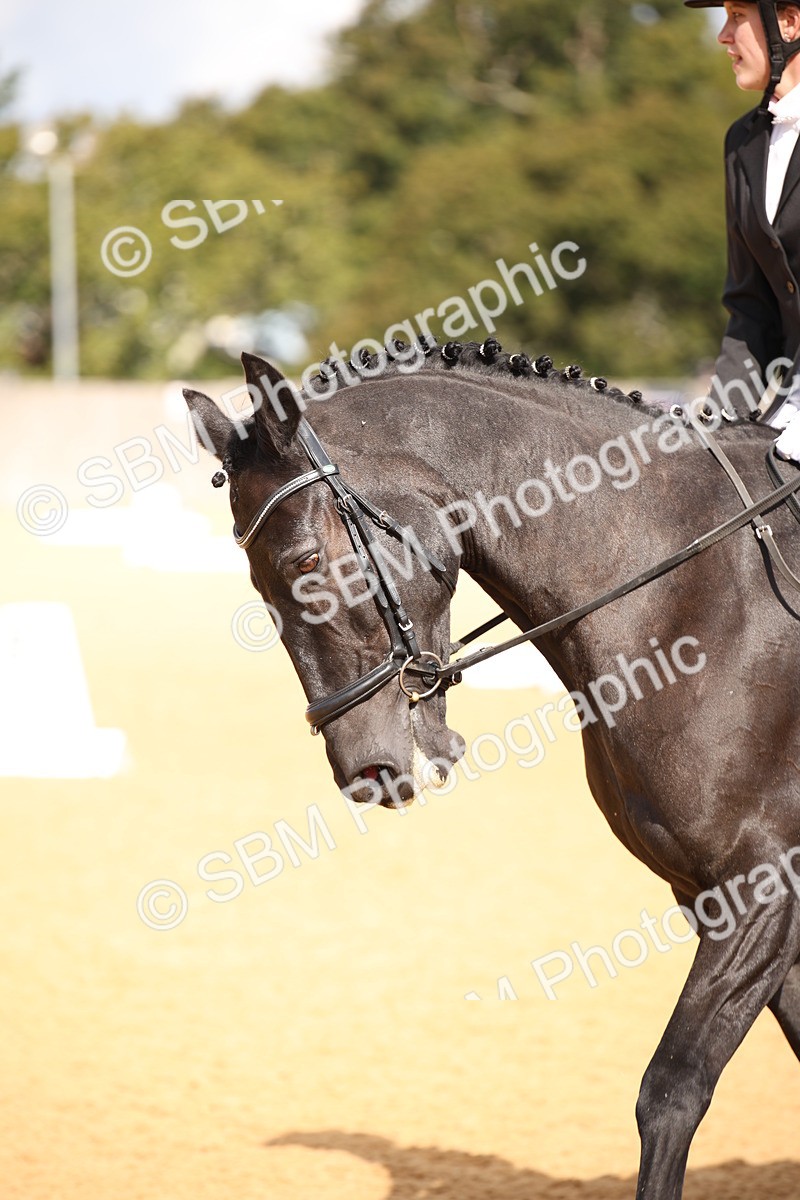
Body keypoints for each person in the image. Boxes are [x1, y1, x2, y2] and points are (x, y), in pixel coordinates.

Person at [685, 0, 800, 459]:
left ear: (788, 23)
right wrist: (716, 425)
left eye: (736, 15)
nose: (723, 36)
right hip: (787, 404)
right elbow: (752, 309)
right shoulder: (743, 141)